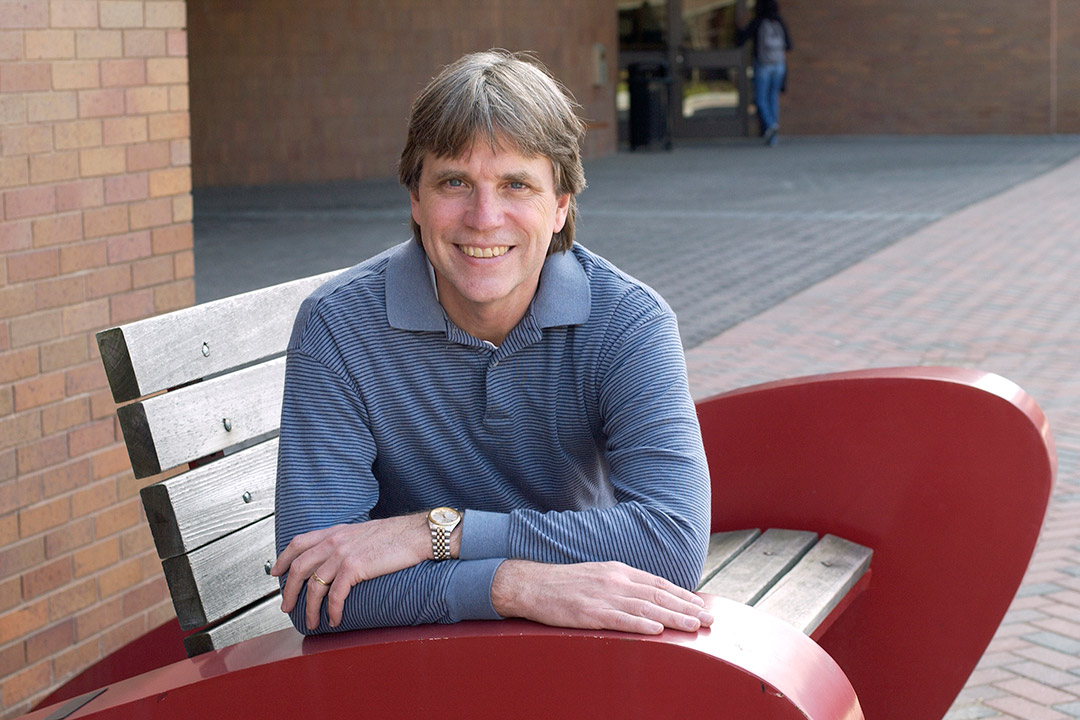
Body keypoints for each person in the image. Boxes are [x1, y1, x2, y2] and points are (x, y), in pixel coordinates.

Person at [271, 49, 713, 638]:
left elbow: (672, 542)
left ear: (559, 207)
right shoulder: (339, 326)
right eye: (454, 181)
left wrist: (433, 532)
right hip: (407, 663)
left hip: (575, 644)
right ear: (415, 200)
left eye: (516, 184)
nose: (484, 217)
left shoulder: (629, 322)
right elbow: (313, 591)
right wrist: (510, 584)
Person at [736, 0, 793, 146]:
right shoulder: (780, 22)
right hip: (779, 66)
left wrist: (740, 23)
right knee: (772, 98)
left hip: (763, 65)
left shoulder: (758, 22)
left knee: (761, 99)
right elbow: (789, 45)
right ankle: (773, 137)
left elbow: (740, 39)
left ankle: (770, 126)